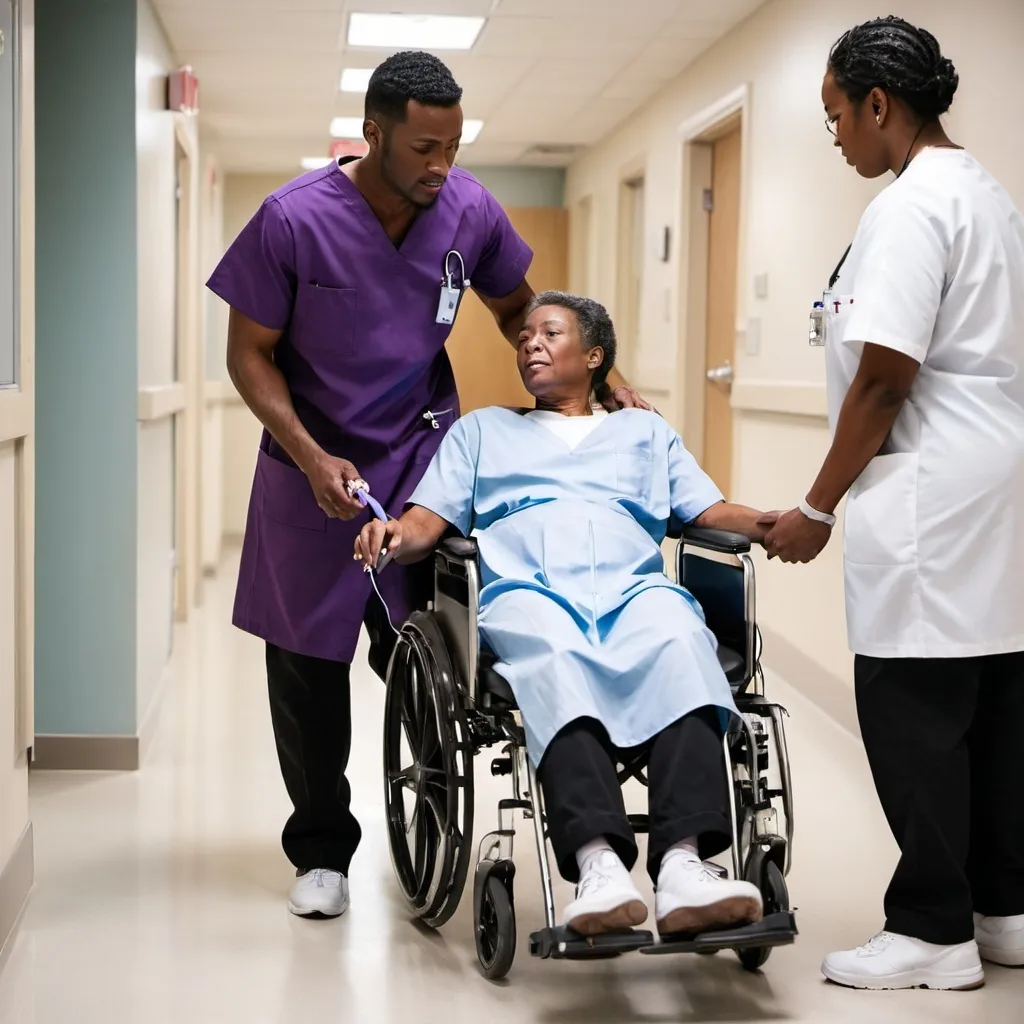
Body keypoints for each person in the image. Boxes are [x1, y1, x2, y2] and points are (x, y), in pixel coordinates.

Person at [206, 52, 649, 920]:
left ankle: (433, 808)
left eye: (452, 146)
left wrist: (602, 374)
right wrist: (306, 453)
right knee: (304, 670)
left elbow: (520, 308)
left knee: (428, 648)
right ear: (373, 133)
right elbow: (247, 354)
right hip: (310, 469)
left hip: (417, 460)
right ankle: (322, 850)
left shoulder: (468, 208)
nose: (441, 166)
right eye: (423, 148)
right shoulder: (291, 220)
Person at [355, 292, 774, 936]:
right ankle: (599, 865)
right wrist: (392, 534)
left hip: (633, 590)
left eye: (549, 332)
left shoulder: (645, 431)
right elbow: (426, 520)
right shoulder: (481, 432)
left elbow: (707, 513)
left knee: (682, 640)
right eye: (523, 335)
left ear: (596, 356)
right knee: (552, 657)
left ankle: (685, 867)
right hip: (528, 595)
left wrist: (776, 524)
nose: (529, 342)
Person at [762, 17, 1024, 990]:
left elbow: (882, 375)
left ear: (879, 106)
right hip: (990, 485)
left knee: (911, 711)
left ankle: (928, 928)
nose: (834, 136)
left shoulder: (911, 206)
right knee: (993, 702)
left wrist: (816, 507)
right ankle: (1001, 909)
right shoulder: (989, 196)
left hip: (926, 489)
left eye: (836, 116)